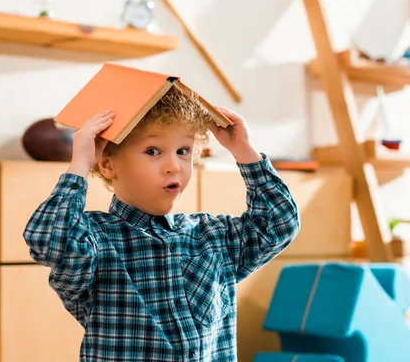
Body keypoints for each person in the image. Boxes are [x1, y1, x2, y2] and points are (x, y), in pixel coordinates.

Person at [23, 86, 300, 361]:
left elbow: (279, 224)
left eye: (183, 150)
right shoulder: (94, 240)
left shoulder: (212, 236)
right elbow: (49, 240)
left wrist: (244, 152)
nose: (174, 166)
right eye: (153, 151)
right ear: (107, 165)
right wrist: (80, 164)